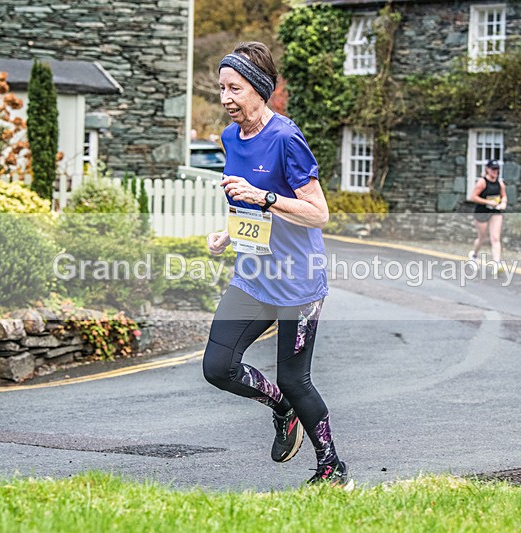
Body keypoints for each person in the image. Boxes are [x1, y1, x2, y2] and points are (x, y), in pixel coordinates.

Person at [203, 42, 352, 489]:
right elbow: (243, 198)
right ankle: (281, 408)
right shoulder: (231, 137)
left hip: (297, 284)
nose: (226, 97)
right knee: (218, 367)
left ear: (259, 89)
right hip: (252, 275)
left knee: (295, 378)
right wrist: (228, 232)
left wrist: (266, 197)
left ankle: (332, 467)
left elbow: (318, 213)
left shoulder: (287, 138)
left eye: (236, 88)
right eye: (222, 88)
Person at [468, 159, 507, 274]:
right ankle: (474, 255)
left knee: (495, 238)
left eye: (496, 169)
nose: (495, 172)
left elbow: (504, 196)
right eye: (492, 169)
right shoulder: (482, 182)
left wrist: (503, 202)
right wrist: (488, 202)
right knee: (482, 238)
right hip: (482, 212)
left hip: (495, 212)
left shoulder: (500, 183)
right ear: (487, 170)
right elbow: (473, 197)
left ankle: (496, 263)